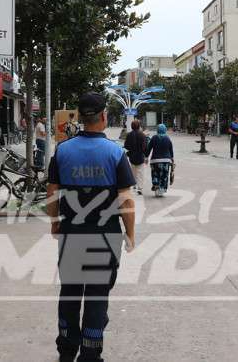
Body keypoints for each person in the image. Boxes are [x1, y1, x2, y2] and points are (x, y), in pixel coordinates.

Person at [46, 92, 136, 362]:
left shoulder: (63, 150)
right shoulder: (115, 153)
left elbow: (52, 191)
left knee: (70, 294)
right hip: (105, 238)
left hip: (71, 235)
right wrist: (130, 234)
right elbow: (126, 199)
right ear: (104, 116)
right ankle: (90, 353)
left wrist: (55, 223)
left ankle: (66, 350)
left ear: (81, 118)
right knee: (97, 297)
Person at [146, 123, 174, 197]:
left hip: (155, 160)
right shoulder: (168, 138)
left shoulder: (154, 138)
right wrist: (172, 159)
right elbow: (171, 150)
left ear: (157, 130)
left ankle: (156, 185)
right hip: (166, 160)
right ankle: (161, 189)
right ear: (165, 130)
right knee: (164, 176)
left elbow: (149, 148)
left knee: (155, 174)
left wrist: (146, 157)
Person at [124, 119, 147, 195]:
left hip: (132, 156)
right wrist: (145, 156)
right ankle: (140, 188)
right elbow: (144, 147)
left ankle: (134, 185)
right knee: (140, 173)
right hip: (140, 156)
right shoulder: (142, 135)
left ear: (132, 126)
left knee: (133, 171)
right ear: (139, 126)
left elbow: (126, 146)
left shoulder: (129, 135)